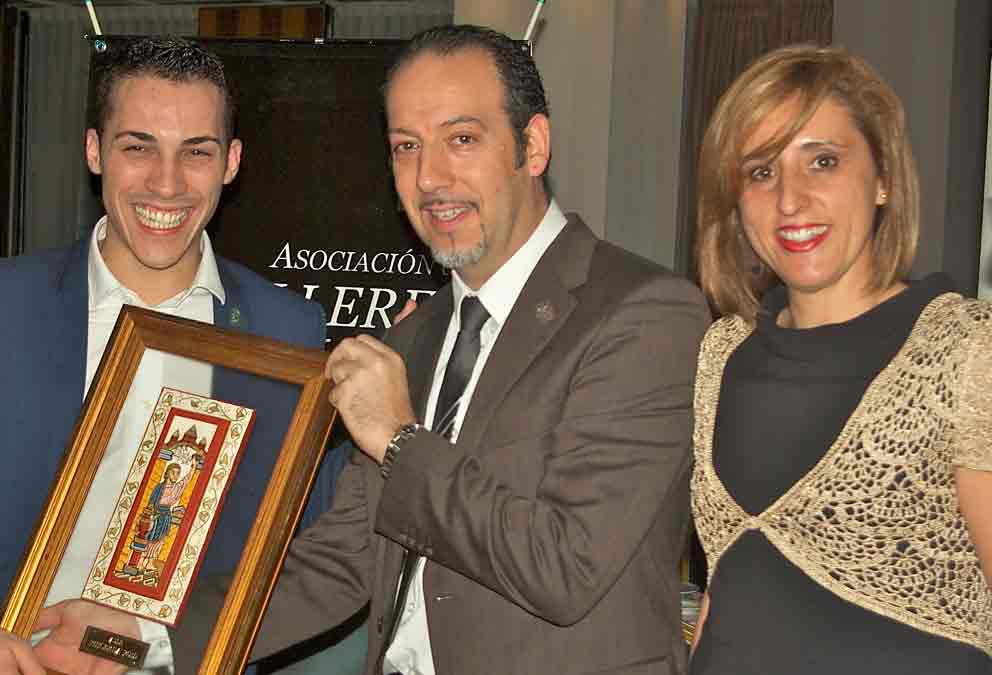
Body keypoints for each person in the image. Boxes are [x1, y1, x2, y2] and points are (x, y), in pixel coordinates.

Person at [203, 25, 710, 675]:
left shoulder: (645, 313)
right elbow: (341, 561)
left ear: (534, 145)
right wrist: (138, 637)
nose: (430, 177)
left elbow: (565, 564)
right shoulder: (414, 337)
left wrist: (400, 437)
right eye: (405, 146)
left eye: (462, 139)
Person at [0, 37, 343, 675]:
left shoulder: (288, 330)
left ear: (232, 162)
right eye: (138, 147)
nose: (167, 184)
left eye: (196, 152)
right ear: (94, 151)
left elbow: (318, 540)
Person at [689, 44, 992, 673]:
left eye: (822, 161)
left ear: (883, 179)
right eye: (761, 172)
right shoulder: (721, 356)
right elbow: (729, 587)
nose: (790, 200)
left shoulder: (964, 350)